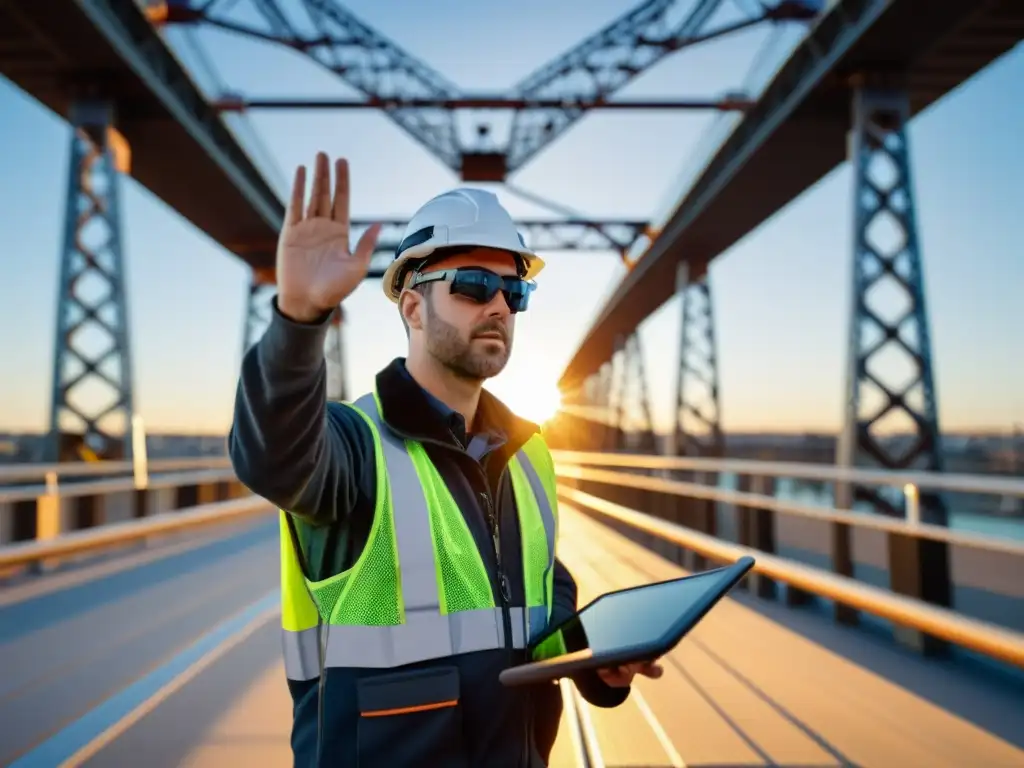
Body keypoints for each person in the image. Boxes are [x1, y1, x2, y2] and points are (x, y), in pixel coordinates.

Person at [229, 152, 663, 768]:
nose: (499, 307)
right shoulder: (356, 445)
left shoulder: (529, 453)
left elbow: (542, 592)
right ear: (411, 307)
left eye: (514, 291)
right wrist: (300, 320)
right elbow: (274, 456)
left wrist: (597, 661)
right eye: (473, 285)